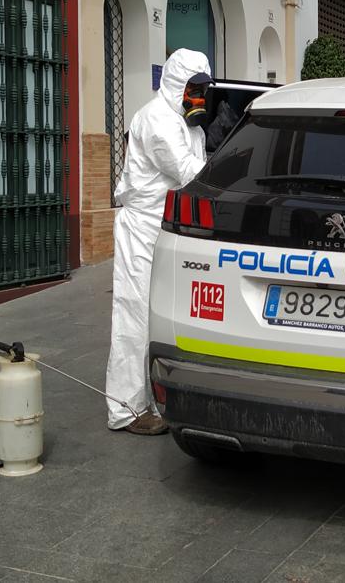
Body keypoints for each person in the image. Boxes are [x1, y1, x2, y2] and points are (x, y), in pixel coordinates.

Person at [106, 49, 214, 435]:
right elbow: (188, 174)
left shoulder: (188, 123)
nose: (198, 97)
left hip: (169, 228)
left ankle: (155, 398)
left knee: (162, 318)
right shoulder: (156, 119)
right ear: (176, 85)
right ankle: (126, 409)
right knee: (134, 316)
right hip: (143, 227)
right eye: (193, 89)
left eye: (203, 90)